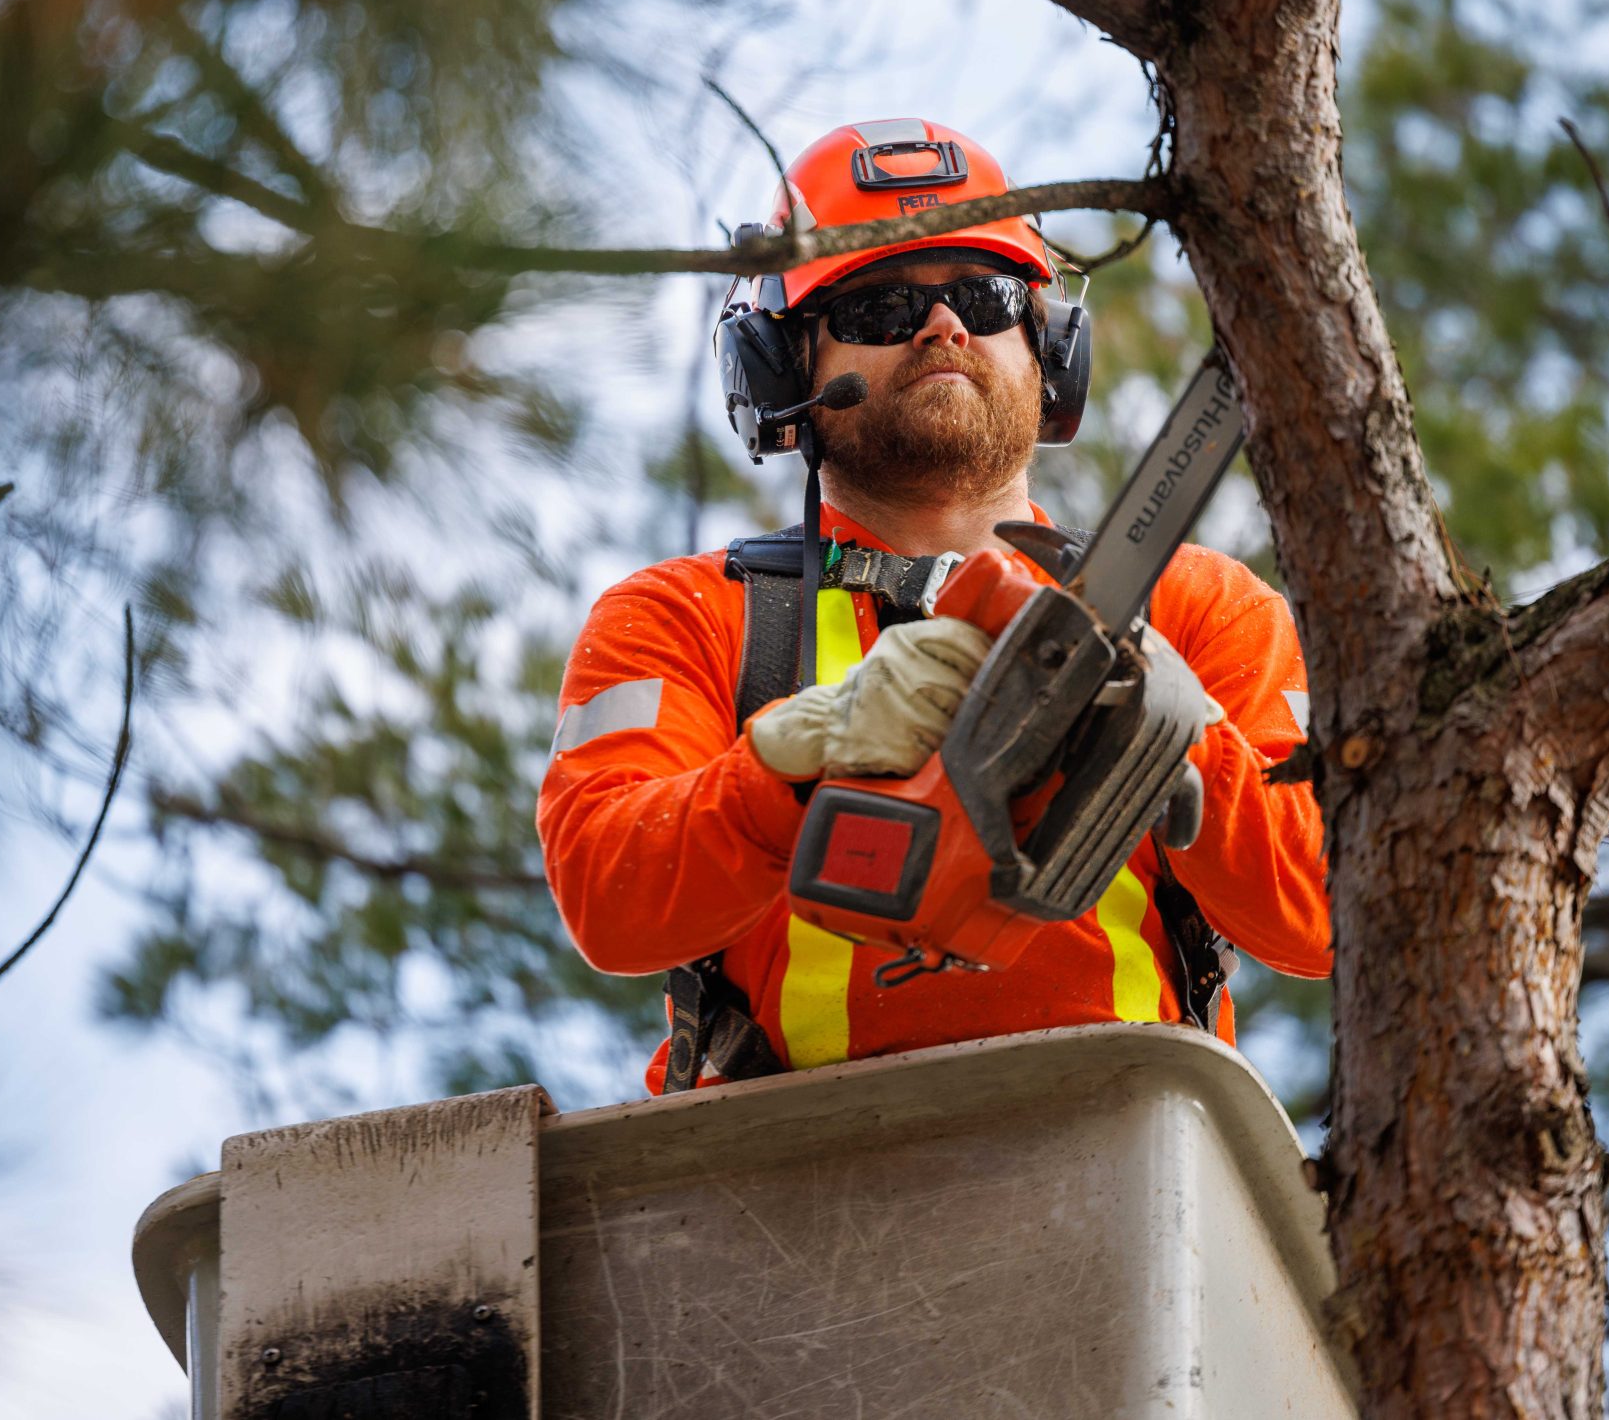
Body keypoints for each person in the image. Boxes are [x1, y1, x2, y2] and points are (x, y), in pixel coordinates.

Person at [538, 118, 1326, 1095]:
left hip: (1128, 1146)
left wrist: (1170, 734)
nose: (943, 325)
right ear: (781, 367)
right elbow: (607, 897)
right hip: (776, 1158)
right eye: (880, 307)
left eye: (984, 297)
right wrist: (796, 761)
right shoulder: (687, 615)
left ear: (1049, 348)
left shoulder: (1197, 605)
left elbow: (1327, 912)